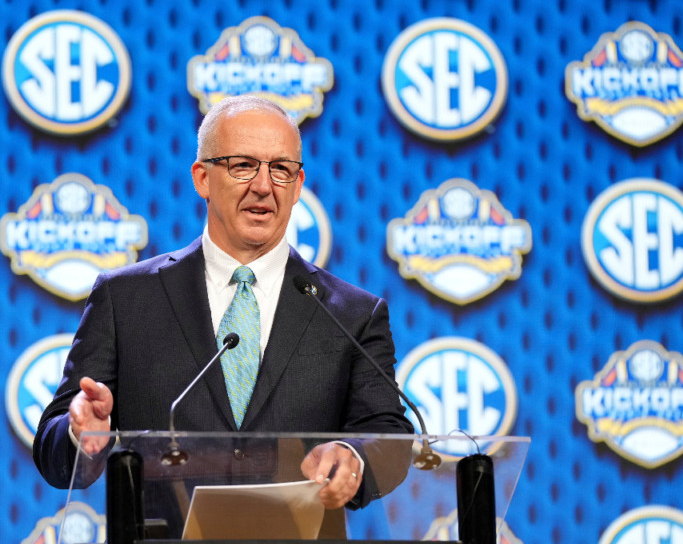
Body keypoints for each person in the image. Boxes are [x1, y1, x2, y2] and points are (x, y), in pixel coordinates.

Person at [32, 95, 413, 514]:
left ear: (299, 185)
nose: (264, 186)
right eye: (243, 165)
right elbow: (52, 451)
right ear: (202, 178)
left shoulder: (352, 315)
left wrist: (352, 453)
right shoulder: (125, 299)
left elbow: (388, 435)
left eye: (281, 169)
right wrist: (84, 435)